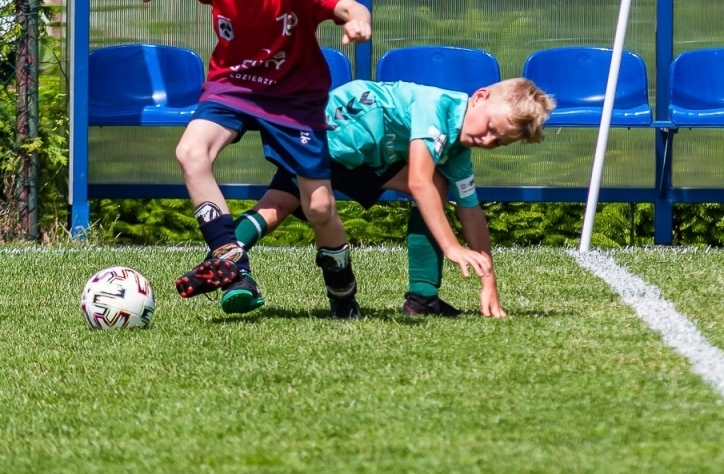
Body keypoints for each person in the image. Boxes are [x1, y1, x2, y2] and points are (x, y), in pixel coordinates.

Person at [124, 0, 373, 317]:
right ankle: (232, 262)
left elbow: (346, 4)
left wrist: (359, 21)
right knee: (190, 151)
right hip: (232, 85)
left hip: (294, 97)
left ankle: (342, 291)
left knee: (319, 207)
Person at [234, 78, 556, 317]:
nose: (487, 140)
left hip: (366, 156)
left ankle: (422, 300)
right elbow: (417, 182)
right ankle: (224, 255)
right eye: (489, 128)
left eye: (497, 142)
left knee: (439, 182)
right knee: (277, 206)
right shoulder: (437, 107)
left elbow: (471, 212)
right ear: (480, 97)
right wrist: (451, 247)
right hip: (333, 133)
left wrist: (489, 282)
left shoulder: (458, 147)